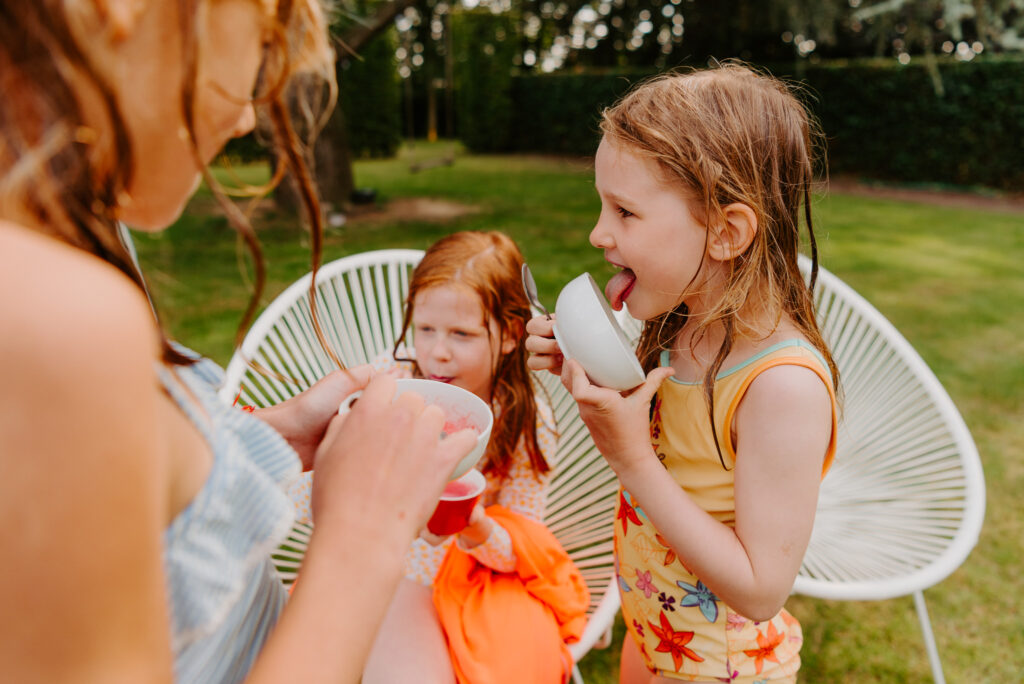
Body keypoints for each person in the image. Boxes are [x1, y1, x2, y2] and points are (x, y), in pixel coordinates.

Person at [0, 1, 479, 682]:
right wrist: (364, 537)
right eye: (260, 37)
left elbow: (124, 527)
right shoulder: (57, 319)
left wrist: (274, 439)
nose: (250, 113)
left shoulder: (61, 243)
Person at [526, 64, 839, 684]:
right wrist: (586, 365)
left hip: (718, 668)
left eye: (625, 212)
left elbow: (760, 589)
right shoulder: (682, 323)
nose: (598, 233)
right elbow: (677, 453)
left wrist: (631, 460)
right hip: (652, 634)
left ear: (725, 231)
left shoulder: (782, 387)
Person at [288, 231, 589, 683]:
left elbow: (523, 551)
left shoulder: (526, 424)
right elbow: (307, 495)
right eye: (425, 329)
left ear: (509, 335)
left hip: (451, 582)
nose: (437, 351)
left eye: (461, 334)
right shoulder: (390, 386)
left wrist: (472, 522)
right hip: (371, 563)